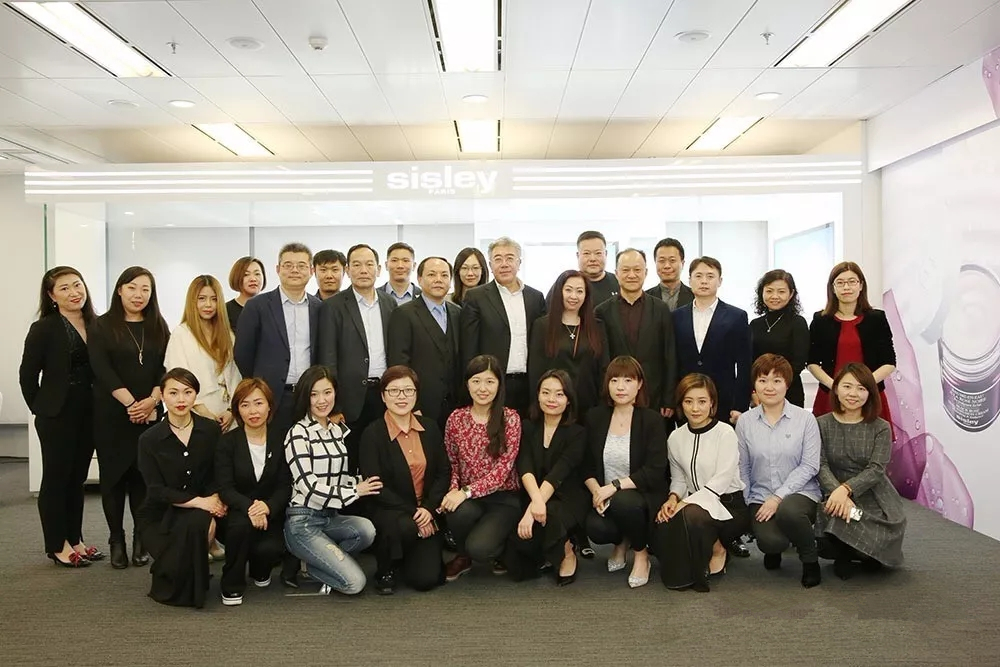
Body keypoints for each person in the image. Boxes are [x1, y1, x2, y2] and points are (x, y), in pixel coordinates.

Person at [88, 266, 169, 570]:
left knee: (143, 478)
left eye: (145, 289)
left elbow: (166, 369)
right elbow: (101, 369)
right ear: (120, 290)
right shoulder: (102, 325)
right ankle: (116, 539)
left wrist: (151, 402)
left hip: (150, 412)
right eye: (132, 288)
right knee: (112, 479)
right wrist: (132, 404)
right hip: (112, 413)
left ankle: (141, 538)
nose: (139, 295)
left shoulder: (158, 325)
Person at [19, 267, 101, 567]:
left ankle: (75, 539)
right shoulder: (44, 328)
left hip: (90, 412)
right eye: (64, 288)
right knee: (56, 478)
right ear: (52, 296)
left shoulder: (96, 323)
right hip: (57, 415)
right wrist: (41, 409)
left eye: (77, 285)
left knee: (77, 479)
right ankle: (57, 545)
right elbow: (27, 376)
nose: (74, 293)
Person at [283, 365, 382, 596]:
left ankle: (315, 561)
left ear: (335, 393)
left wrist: (363, 481)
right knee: (355, 583)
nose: (322, 400)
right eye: (314, 394)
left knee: (366, 530)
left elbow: (339, 477)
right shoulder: (298, 434)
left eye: (327, 392)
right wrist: (355, 491)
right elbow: (308, 487)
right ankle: (314, 562)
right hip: (303, 521)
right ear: (305, 397)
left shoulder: (336, 431)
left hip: (330, 516)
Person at [135, 368, 226, 608]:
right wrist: (201, 502)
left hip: (201, 506)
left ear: (196, 394)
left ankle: (195, 581)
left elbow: (219, 472)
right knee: (172, 567)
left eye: (188, 392)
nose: (181, 399)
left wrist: (214, 499)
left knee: (200, 523)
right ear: (162, 396)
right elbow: (156, 490)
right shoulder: (149, 439)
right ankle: (183, 575)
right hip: (161, 512)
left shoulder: (210, 430)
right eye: (173, 393)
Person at [653, 373, 750, 592]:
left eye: (702, 401)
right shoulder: (675, 438)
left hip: (728, 506)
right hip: (693, 505)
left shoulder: (725, 433)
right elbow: (678, 479)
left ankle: (718, 549)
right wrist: (673, 498)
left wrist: (684, 504)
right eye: (688, 401)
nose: (695, 408)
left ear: (712, 403)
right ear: (681, 404)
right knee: (662, 521)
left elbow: (721, 480)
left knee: (691, 515)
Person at [359, 366, 451, 595]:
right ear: (383, 396)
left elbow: (443, 473)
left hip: (426, 511)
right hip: (390, 511)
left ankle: (407, 556)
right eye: (394, 391)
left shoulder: (430, 427)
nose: (402, 397)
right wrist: (415, 512)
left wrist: (428, 509)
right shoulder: (372, 434)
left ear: (416, 394)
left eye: (408, 390)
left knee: (426, 580)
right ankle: (386, 567)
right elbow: (376, 487)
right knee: (405, 526)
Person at [736, 354, 822, 588]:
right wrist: (747, 504)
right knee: (771, 542)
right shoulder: (745, 422)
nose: (769, 387)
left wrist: (777, 498)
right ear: (755, 385)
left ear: (787, 384)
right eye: (763, 380)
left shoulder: (805, 419)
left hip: (800, 493)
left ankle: (810, 560)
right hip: (761, 495)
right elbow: (743, 466)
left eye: (777, 381)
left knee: (789, 511)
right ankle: (775, 547)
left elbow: (810, 465)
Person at [583, 356, 667, 588]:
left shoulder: (652, 420)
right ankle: (622, 541)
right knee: (596, 528)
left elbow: (654, 470)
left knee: (624, 501)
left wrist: (614, 487)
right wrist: (597, 491)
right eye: (614, 380)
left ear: (639, 384)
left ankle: (640, 554)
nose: (620, 387)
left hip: (642, 494)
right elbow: (586, 465)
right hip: (607, 494)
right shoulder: (595, 417)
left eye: (628, 380)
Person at [816, 363, 906, 580]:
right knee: (841, 512)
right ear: (836, 389)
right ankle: (844, 552)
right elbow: (820, 465)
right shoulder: (820, 424)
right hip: (834, 491)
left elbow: (876, 469)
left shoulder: (881, 427)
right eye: (847, 386)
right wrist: (838, 492)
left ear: (870, 393)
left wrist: (847, 489)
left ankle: (863, 550)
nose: (853, 394)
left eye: (861, 388)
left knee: (876, 524)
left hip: (873, 493)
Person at [440, 355, 522, 581]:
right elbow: (452, 462)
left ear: (499, 385)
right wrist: (453, 490)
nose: (482, 388)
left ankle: (501, 547)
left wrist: (464, 492)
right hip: (470, 498)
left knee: (480, 548)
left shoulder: (511, 418)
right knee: (454, 510)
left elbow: (501, 472)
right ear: (467, 384)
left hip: (504, 498)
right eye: (476, 381)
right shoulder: (456, 418)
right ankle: (463, 556)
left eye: (489, 381)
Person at [317, 243, 397, 471]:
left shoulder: (389, 303)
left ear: (378, 269)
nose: (363, 270)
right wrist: (334, 405)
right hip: (349, 399)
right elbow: (328, 359)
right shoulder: (333, 306)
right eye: (357, 265)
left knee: (383, 459)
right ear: (348, 270)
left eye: (369, 264)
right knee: (349, 461)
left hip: (384, 395)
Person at [234, 242, 321, 444]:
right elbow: (243, 353)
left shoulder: (319, 308)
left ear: (311, 271)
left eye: (301, 265)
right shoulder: (257, 306)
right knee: (274, 451)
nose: (294, 270)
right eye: (288, 265)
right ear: (277, 269)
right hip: (270, 395)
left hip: (308, 396)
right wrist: (260, 384)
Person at [215, 378, 293, 606]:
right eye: (245, 405)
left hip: (271, 511)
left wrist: (267, 507)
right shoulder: (227, 443)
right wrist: (251, 508)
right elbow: (225, 487)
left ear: (269, 406)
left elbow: (285, 484)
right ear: (237, 410)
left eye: (258, 403)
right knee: (239, 527)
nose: (253, 411)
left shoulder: (283, 439)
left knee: (270, 549)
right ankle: (232, 584)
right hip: (238, 509)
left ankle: (260, 569)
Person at [506, 370, 587, 585]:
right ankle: (547, 550)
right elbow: (525, 467)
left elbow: (559, 473)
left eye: (559, 394)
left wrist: (532, 512)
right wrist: (535, 503)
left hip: (566, 496)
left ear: (568, 400)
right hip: (533, 492)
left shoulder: (577, 433)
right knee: (518, 568)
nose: (552, 399)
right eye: (546, 392)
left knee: (550, 518)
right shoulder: (526, 426)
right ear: (538, 395)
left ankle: (567, 549)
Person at [460, 237, 546, 416]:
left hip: (529, 383)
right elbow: (469, 348)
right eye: (498, 259)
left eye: (510, 258)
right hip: (491, 383)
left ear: (519, 262)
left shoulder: (535, 297)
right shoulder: (476, 297)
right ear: (490, 265)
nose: (504, 264)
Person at [808, 262, 896, 427]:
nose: (846, 287)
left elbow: (889, 362)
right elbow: (812, 362)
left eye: (852, 282)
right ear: (833, 288)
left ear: (861, 285)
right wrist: (836, 387)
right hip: (830, 394)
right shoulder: (821, 320)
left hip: (869, 395)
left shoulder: (876, 319)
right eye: (840, 283)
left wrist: (864, 386)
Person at [596, 248, 677, 418]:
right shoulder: (602, 311)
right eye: (626, 270)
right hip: (616, 396)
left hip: (654, 397)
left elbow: (670, 355)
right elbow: (602, 360)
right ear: (616, 273)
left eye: (637, 270)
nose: (631, 275)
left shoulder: (661, 309)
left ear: (646, 272)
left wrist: (668, 398)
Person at [673, 256, 752, 424]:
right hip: (686, 398)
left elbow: (744, 365)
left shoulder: (736, 316)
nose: (704, 281)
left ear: (720, 281)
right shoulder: (676, 316)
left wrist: (740, 405)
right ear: (689, 280)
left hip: (722, 400)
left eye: (710, 276)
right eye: (698, 276)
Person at [387, 256, 462, 429]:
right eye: (432, 274)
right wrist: (412, 404)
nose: (438, 279)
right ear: (419, 279)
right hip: (420, 405)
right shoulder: (404, 314)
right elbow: (399, 363)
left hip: (454, 405)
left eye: (444, 275)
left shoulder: (457, 313)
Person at [165, 275, 241, 432]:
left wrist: (231, 410)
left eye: (214, 299)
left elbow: (236, 375)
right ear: (192, 301)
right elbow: (178, 378)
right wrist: (203, 412)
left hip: (229, 415)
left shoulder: (227, 335)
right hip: (195, 412)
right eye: (202, 299)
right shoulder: (181, 334)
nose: (208, 305)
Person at [530, 269, 609, 416]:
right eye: (568, 290)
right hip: (553, 405)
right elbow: (535, 371)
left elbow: (603, 369)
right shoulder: (542, 326)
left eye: (579, 291)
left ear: (586, 295)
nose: (574, 296)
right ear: (559, 292)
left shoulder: (597, 326)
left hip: (589, 405)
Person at [749, 270, 810, 407]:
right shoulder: (755, 324)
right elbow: (750, 362)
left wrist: (775, 384)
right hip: (760, 392)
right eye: (769, 291)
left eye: (781, 292)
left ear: (791, 294)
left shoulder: (797, 323)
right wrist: (754, 390)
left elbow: (799, 363)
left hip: (789, 390)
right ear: (762, 292)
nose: (775, 296)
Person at [547, 231, 619, 307]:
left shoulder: (619, 282)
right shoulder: (565, 283)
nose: (592, 259)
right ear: (578, 256)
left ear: (606, 254)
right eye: (586, 253)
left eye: (598, 253)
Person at [647, 237, 694, 311]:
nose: (667, 266)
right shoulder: (645, 298)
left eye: (672, 260)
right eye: (662, 261)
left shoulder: (695, 296)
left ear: (682, 264)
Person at [226, 256, 266, 330]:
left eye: (257, 274)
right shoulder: (226, 311)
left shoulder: (271, 309)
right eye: (246, 275)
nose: (253, 279)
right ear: (237, 277)